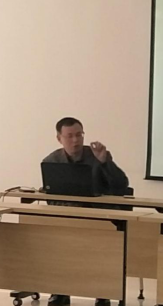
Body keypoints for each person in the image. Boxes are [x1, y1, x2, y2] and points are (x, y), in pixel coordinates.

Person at [43, 117, 129, 307]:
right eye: (70, 136)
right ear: (59, 138)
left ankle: (102, 292)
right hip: (67, 219)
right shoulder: (51, 161)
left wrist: (105, 162)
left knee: (99, 243)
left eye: (79, 135)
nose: (75, 140)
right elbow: (51, 196)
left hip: (99, 219)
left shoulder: (98, 155)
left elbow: (121, 185)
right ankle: (60, 291)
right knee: (56, 240)